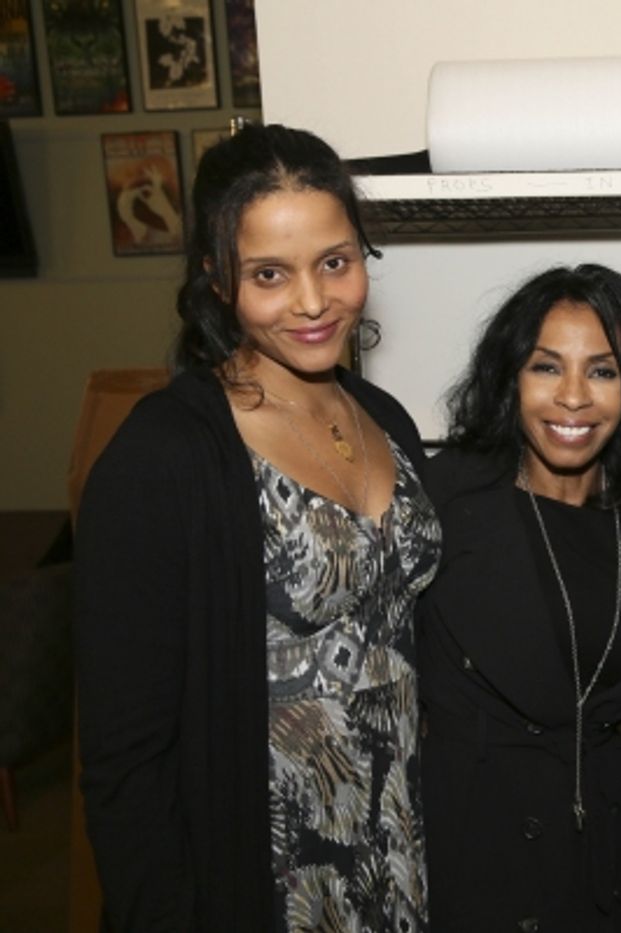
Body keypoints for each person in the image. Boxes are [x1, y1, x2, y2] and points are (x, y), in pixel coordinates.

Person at [75, 124, 441, 931]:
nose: (313, 302)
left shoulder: (386, 419)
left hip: (400, 863)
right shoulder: (164, 457)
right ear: (216, 280)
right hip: (265, 886)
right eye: (270, 275)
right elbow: (124, 762)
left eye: (335, 263)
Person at [417, 264, 621, 931]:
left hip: (610, 868)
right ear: (510, 378)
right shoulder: (444, 504)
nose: (572, 397)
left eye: (603, 371)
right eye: (546, 367)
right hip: (481, 865)